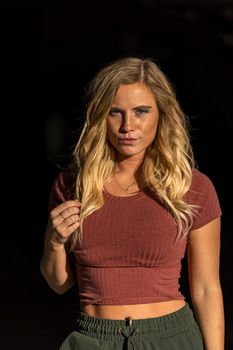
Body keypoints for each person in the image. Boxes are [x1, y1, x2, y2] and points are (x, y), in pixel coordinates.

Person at [40, 57, 224, 350]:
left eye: (141, 112)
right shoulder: (72, 184)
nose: (128, 125)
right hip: (93, 338)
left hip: (171, 337)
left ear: (161, 114)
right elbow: (59, 283)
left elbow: (206, 289)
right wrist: (54, 241)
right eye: (115, 112)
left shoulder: (193, 187)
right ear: (101, 116)